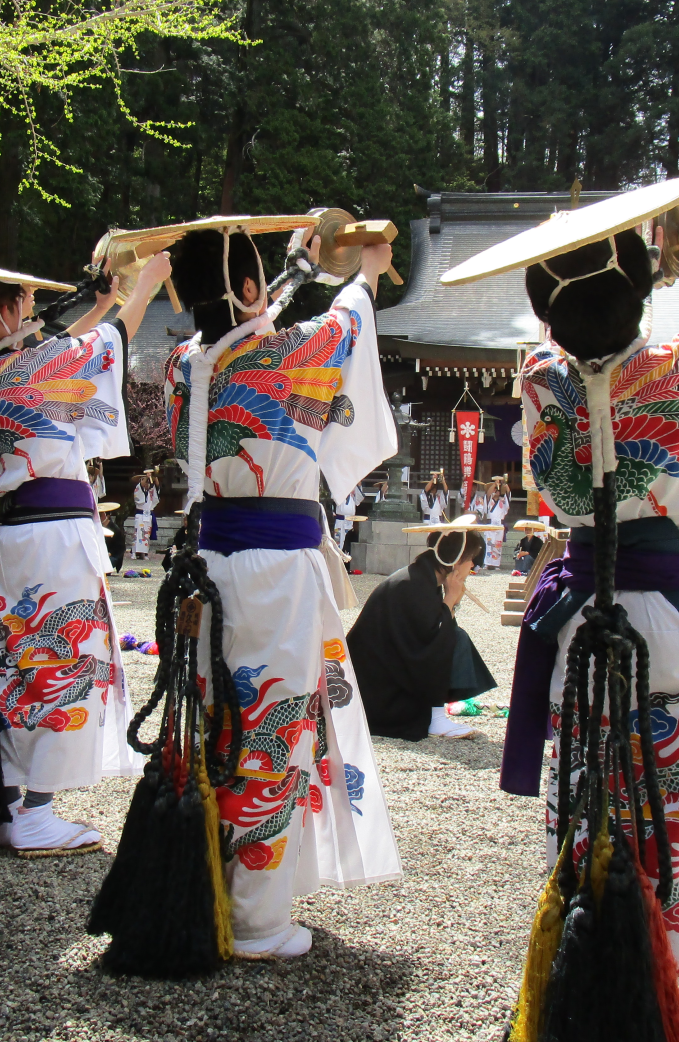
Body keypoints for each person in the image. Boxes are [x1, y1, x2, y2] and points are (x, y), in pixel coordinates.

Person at [493, 196, 679, 980]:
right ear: (643, 290)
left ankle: (582, 978)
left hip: (585, 616)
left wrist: (576, 252)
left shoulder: (541, 376)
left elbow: (567, 333)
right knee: (672, 817)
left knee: (589, 800)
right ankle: (661, 988)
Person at [162, 218, 401, 959]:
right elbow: (348, 319)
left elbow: (248, 320)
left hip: (206, 569)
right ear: (243, 287)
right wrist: (364, 269)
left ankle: (202, 884)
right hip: (275, 576)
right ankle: (259, 918)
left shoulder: (183, 366)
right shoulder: (298, 352)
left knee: (213, 728)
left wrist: (295, 266)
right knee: (270, 732)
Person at [0, 256, 171, 852]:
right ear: (7, 309)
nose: (33, 311)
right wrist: (147, 284)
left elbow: (69, 341)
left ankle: (12, 804)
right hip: (58, 537)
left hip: (16, 532)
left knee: (16, 663)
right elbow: (110, 341)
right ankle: (36, 810)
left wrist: (102, 300)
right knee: (61, 663)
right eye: (24, 302)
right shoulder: (32, 364)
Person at [346, 517, 498, 740]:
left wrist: (450, 601)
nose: (473, 566)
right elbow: (429, 642)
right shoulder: (413, 584)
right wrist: (451, 599)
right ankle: (435, 719)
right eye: (471, 560)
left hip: (384, 677)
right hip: (377, 691)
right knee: (452, 638)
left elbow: (431, 629)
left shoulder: (422, 577)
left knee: (453, 635)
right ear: (456, 560)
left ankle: (435, 714)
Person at [481, 476, 510, 570]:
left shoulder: (503, 500)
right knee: (489, 543)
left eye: (498, 490)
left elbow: (508, 492)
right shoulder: (489, 501)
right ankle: (487, 563)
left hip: (499, 525)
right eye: (495, 490)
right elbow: (488, 494)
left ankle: (496, 564)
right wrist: (494, 484)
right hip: (490, 524)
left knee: (497, 544)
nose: (496, 492)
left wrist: (503, 484)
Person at [131, 469, 159, 560]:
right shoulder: (138, 488)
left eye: (147, 482)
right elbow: (142, 484)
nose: (146, 484)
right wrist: (146, 477)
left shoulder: (151, 490)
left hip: (148, 515)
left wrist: (154, 476)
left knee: (146, 535)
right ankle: (134, 552)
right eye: (145, 481)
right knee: (138, 534)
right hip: (140, 514)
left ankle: (144, 553)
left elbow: (157, 486)